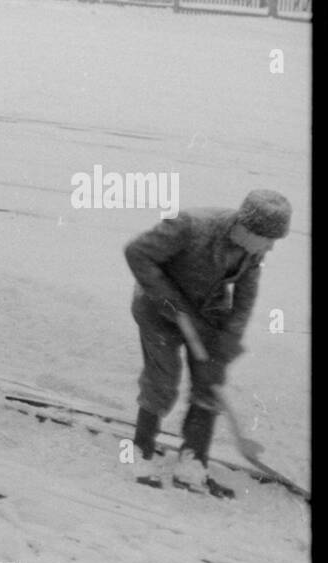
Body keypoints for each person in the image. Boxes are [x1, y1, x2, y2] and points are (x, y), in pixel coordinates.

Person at [124, 189, 292, 491]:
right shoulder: (190, 225)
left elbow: (243, 303)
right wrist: (174, 307)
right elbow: (137, 253)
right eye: (268, 239)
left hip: (206, 311)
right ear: (247, 228)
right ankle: (141, 451)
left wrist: (224, 350)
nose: (271, 248)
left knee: (209, 383)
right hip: (157, 308)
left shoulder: (251, 254)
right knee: (163, 378)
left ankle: (192, 464)